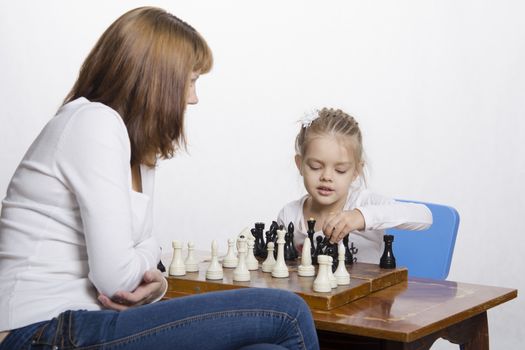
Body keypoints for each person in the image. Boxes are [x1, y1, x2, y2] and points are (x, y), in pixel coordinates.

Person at [0, 7, 319, 350]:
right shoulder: (94, 123)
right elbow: (116, 278)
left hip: (88, 323)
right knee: (287, 312)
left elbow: (148, 247)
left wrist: (159, 283)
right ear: (158, 79)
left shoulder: (138, 149)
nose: (194, 98)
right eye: (192, 80)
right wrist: (141, 259)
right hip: (36, 332)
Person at [277, 108, 433, 263]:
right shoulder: (289, 214)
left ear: (356, 171)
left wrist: (361, 217)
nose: (326, 177)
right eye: (315, 167)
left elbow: (424, 216)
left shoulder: (364, 203)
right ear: (300, 165)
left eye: (340, 170)